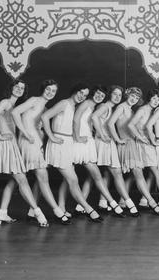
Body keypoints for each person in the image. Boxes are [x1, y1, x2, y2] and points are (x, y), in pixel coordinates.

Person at [0, 80, 48, 227]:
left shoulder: (15, 106)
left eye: (22, 88)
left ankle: (2, 213)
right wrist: (0, 135)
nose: (19, 89)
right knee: (22, 180)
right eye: (17, 86)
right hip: (5, 144)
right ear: (11, 88)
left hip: (11, 144)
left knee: (14, 181)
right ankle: (38, 213)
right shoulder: (6, 102)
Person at [41, 83, 103, 222]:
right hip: (59, 143)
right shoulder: (64, 103)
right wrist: (51, 136)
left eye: (85, 95)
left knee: (66, 179)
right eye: (80, 93)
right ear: (74, 91)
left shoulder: (73, 106)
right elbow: (45, 116)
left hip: (68, 143)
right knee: (72, 179)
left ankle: (58, 208)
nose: (82, 96)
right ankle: (89, 209)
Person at [11, 79, 70, 225]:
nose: (50, 93)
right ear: (43, 89)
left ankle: (34, 212)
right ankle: (55, 211)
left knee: (37, 178)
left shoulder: (45, 109)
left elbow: (41, 129)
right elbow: (15, 112)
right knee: (41, 177)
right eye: (48, 89)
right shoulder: (34, 100)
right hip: (27, 142)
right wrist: (25, 133)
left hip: (36, 144)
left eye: (53, 91)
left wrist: (43, 140)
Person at [108, 87, 159, 216]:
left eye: (137, 98)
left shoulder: (130, 109)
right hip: (126, 144)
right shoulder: (121, 107)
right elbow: (111, 124)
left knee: (136, 175)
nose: (134, 99)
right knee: (137, 174)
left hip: (132, 144)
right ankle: (151, 202)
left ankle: (124, 202)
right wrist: (118, 140)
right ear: (127, 95)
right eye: (132, 96)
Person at [72, 85, 125, 217]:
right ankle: (114, 204)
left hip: (88, 140)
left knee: (93, 176)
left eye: (102, 95)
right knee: (89, 176)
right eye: (97, 94)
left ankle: (81, 206)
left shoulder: (94, 105)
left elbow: (91, 121)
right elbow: (78, 119)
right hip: (82, 142)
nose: (99, 97)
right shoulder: (88, 103)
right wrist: (100, 134)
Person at [91, 85, 140, 216]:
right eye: (115, 94)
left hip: (107, 142)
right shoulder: (105, 106)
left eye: (119, 95)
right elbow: (95, 117)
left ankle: (101, 203)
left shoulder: (111, 107)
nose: (118, 97)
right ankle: (129, 204)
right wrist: (103, 135)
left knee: (103, 175)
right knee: (115, 173)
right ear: (110, 95)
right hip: (104, 143)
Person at [126, 89, 159, 211]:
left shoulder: (153, 111)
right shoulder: (142, 109)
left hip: (149, 144)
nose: (156, 101)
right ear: (149, 98)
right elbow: (130, 125)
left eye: (158, 98)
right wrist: (140, 137)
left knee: (149, 173)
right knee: (140, 173)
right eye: (154, 98)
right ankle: (124, 200)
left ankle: (143, 199)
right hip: (141, 145)